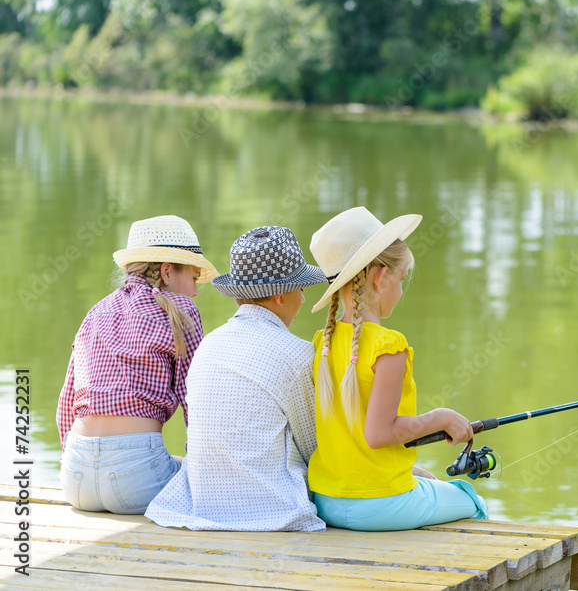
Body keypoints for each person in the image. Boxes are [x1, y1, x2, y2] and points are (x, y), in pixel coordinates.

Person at [307, 206, 488, 531]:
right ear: (380, 278)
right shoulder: (388, 347)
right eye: (401, 279)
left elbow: (356, 442)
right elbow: (378, 434)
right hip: (380, 506)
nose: (402, 290)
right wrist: (442, 418)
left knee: (428, 484)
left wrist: (410, 471)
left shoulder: (325, 342)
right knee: (471, 500)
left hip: (327, 501)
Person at [145, 226, 329, 531]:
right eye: (301, 287)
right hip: (273, 511)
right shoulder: (297, 354)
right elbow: (315, 448)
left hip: (203, 506)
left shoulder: (208, 346)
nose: (303, 296)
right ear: (282, 296)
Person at [57, 215, 218, 514]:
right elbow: (195, 401)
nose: (196, 291)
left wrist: (73, 459)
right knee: (193, 472)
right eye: (194, 279)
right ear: (167, 271)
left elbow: (67, 400)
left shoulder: (96, 311)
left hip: (74, 479)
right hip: (135, 479)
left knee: (173, 464)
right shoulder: (181, 310)